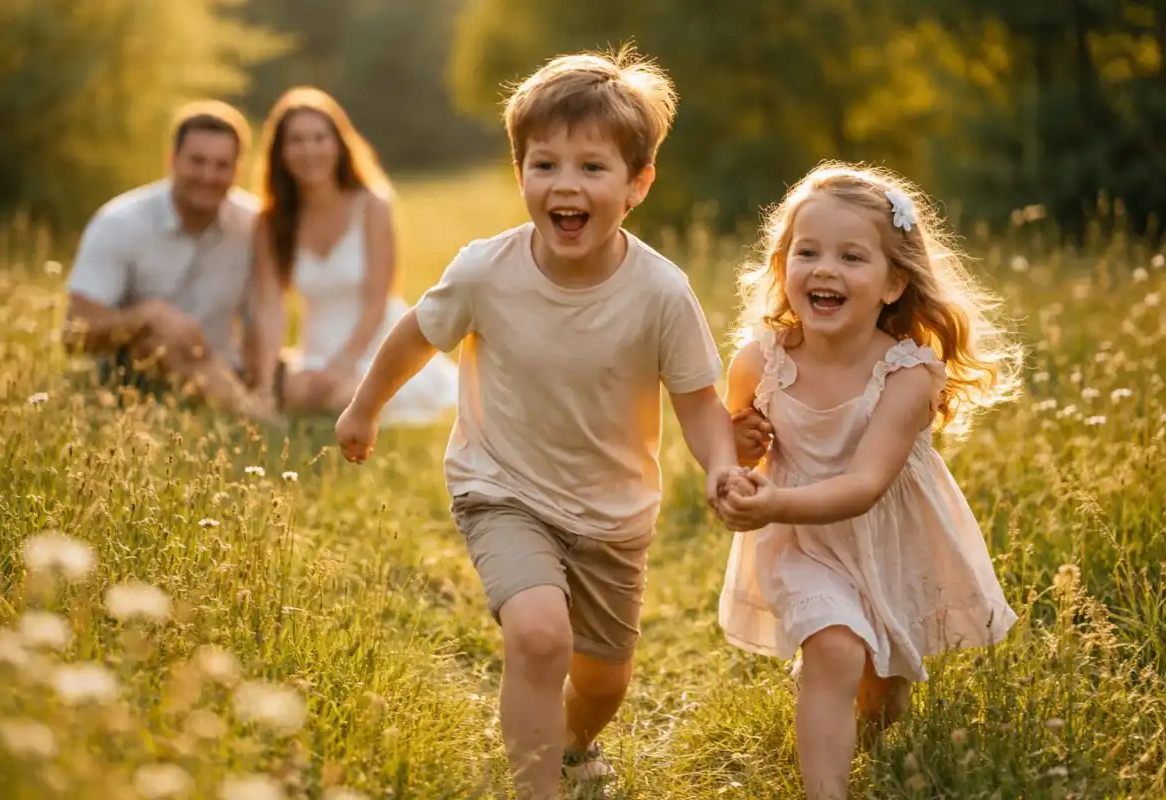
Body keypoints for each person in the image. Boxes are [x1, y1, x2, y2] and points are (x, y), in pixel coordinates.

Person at [335, 48, 747, 800]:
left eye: (593, 167)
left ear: (637, 184)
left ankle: (569, 740)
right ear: (519, 171)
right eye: (544, 164)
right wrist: (365, 407)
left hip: (613, 517)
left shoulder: (660, 292)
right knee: (537, 635)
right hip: (503, 488)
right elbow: (414, 335)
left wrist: (722, 465)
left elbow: (698, 404)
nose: (565, 185)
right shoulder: (486, 271)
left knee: (602, 684)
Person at [714, 162, 1023, 800]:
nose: (825, 269)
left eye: (852, 256)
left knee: (883, 685)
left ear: (893, 283)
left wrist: (774, 500)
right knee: (835, 649)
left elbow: (865, 483)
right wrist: (740, 457)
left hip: (887, 539)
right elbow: (732, 441)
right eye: (808, 252)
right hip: (801, 542)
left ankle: (873, 746)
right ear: (783, 267)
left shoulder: (909, 375)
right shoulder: (760, 361)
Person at [246, 86, 457, 423]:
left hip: (375, 345)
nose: (309, 150)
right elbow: (270, 308)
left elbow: (378, 300)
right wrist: (267, 385)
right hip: (316, 353)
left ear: (338, 144)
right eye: (296, 141)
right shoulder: (270, 222)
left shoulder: (372, 204)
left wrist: (343, 365)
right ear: (280, 152)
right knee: (299, 393)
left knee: (347, 397)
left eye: (319, 138)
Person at [62, 100, 276, 420]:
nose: (208, 175)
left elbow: (264, 313)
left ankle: (253, 404)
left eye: (222, 165)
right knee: (158, 339)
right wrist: (147, 316)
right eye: (197, 161)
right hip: (132, 376)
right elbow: (74, 335)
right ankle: (257, 420)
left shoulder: (254, 226)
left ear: (237, 170)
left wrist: (264, 382)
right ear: (172, 159)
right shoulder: (119, 222)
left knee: (317, 383)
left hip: (226, 368)